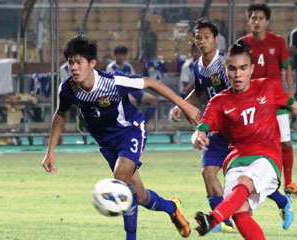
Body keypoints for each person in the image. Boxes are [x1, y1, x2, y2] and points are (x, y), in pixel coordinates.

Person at [192, 43, 297, 239]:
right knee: (240, 213)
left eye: (243, 68)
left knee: (245, 182)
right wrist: (197, 136)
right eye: (232, 69)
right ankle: (219, 217)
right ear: (225, 70)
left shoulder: (267, 87)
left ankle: (214, 219)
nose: (238, 74)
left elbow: (296, 107)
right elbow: (203, 127)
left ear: (251, 69)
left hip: (266, 158)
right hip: (235, 160)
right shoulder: (219, 101)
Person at [41, 35, 201, 240]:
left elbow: (151, 83)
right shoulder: (68, 88)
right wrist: (50, 151)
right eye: (71, 62)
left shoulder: (112, 83)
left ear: (92, 64)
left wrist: (185, 105)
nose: (74, 67)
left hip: (129, 130)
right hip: (106, 142)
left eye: (79, 62)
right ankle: (172, 208)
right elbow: (60, 114)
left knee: (121, 178)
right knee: (139, 196)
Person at [170, 18, 234, 233]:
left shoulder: (226, 65)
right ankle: (222, 221)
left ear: (216, 39)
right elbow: (199, 92)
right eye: (199, 37)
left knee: (244, 179)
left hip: (235, 128)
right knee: (208, 173)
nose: (202, 41)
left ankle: (281, 200)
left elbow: (236, 95)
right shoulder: (198, 66)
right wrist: (182, 105)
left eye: (207, 37)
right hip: (215, 127)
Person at [238, 3, 297, 196]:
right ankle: (250, 181)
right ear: (248, 20)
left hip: (276, 100)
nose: (256, 21)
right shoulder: (242, 44)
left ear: (267, 21)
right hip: (252, 102)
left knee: (285, 141)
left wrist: (290, 92)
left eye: (260, 18)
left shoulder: (278, 42)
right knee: (252, 144)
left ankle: (289, 182)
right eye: (253, 18)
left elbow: (287, 68)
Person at [106, 45, 158, 123]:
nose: (121, 57)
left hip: (132, 90)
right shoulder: (111, 67)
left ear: (126, 56)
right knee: (132, 101)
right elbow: (113, 83)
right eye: (119, 55)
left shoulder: (128, 66)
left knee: (154, 100)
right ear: (115, 56)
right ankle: (131, 124)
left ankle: (144, 122)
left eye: (123, 55)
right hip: (120, 91)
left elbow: (133, 78)